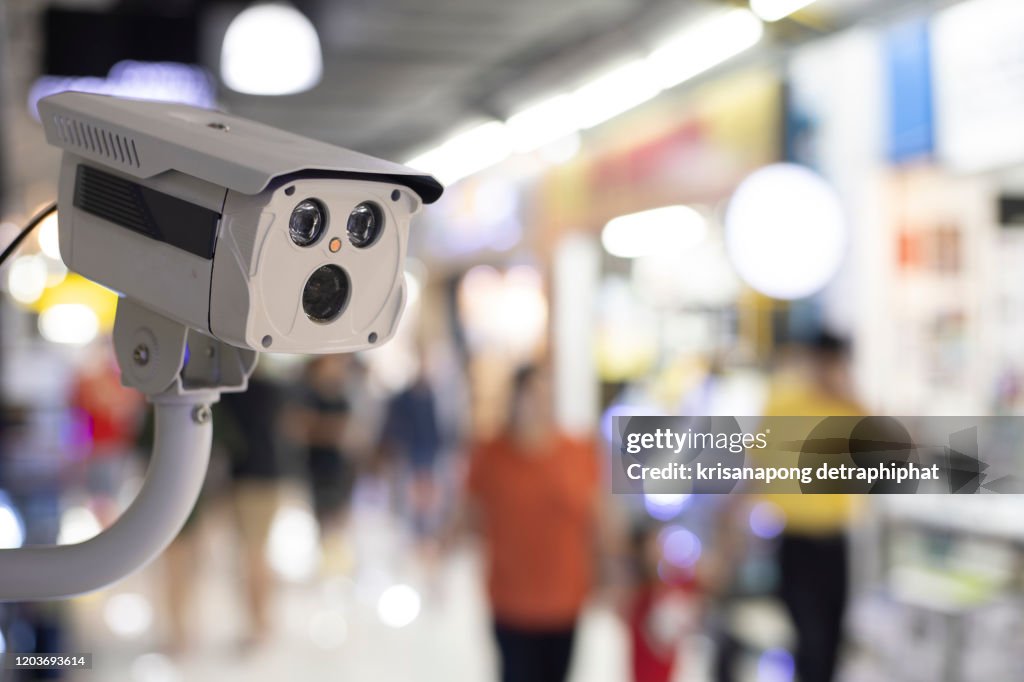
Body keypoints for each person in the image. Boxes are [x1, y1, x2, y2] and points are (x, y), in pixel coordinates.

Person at [465, 364, 600, 682]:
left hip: (565, 599)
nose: (538, 404)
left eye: (544, 396)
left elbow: (597, 520)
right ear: (515, 399)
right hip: (511, 602)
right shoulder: (489, 453)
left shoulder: (578, 451)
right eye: (530, 395)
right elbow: (469, 517)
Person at [758, 332, 864, 682]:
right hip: (796, 540)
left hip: (835, 541)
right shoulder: (784, 405)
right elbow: (757, 465)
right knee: (810, 639)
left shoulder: (847, 408)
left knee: (832, 636)